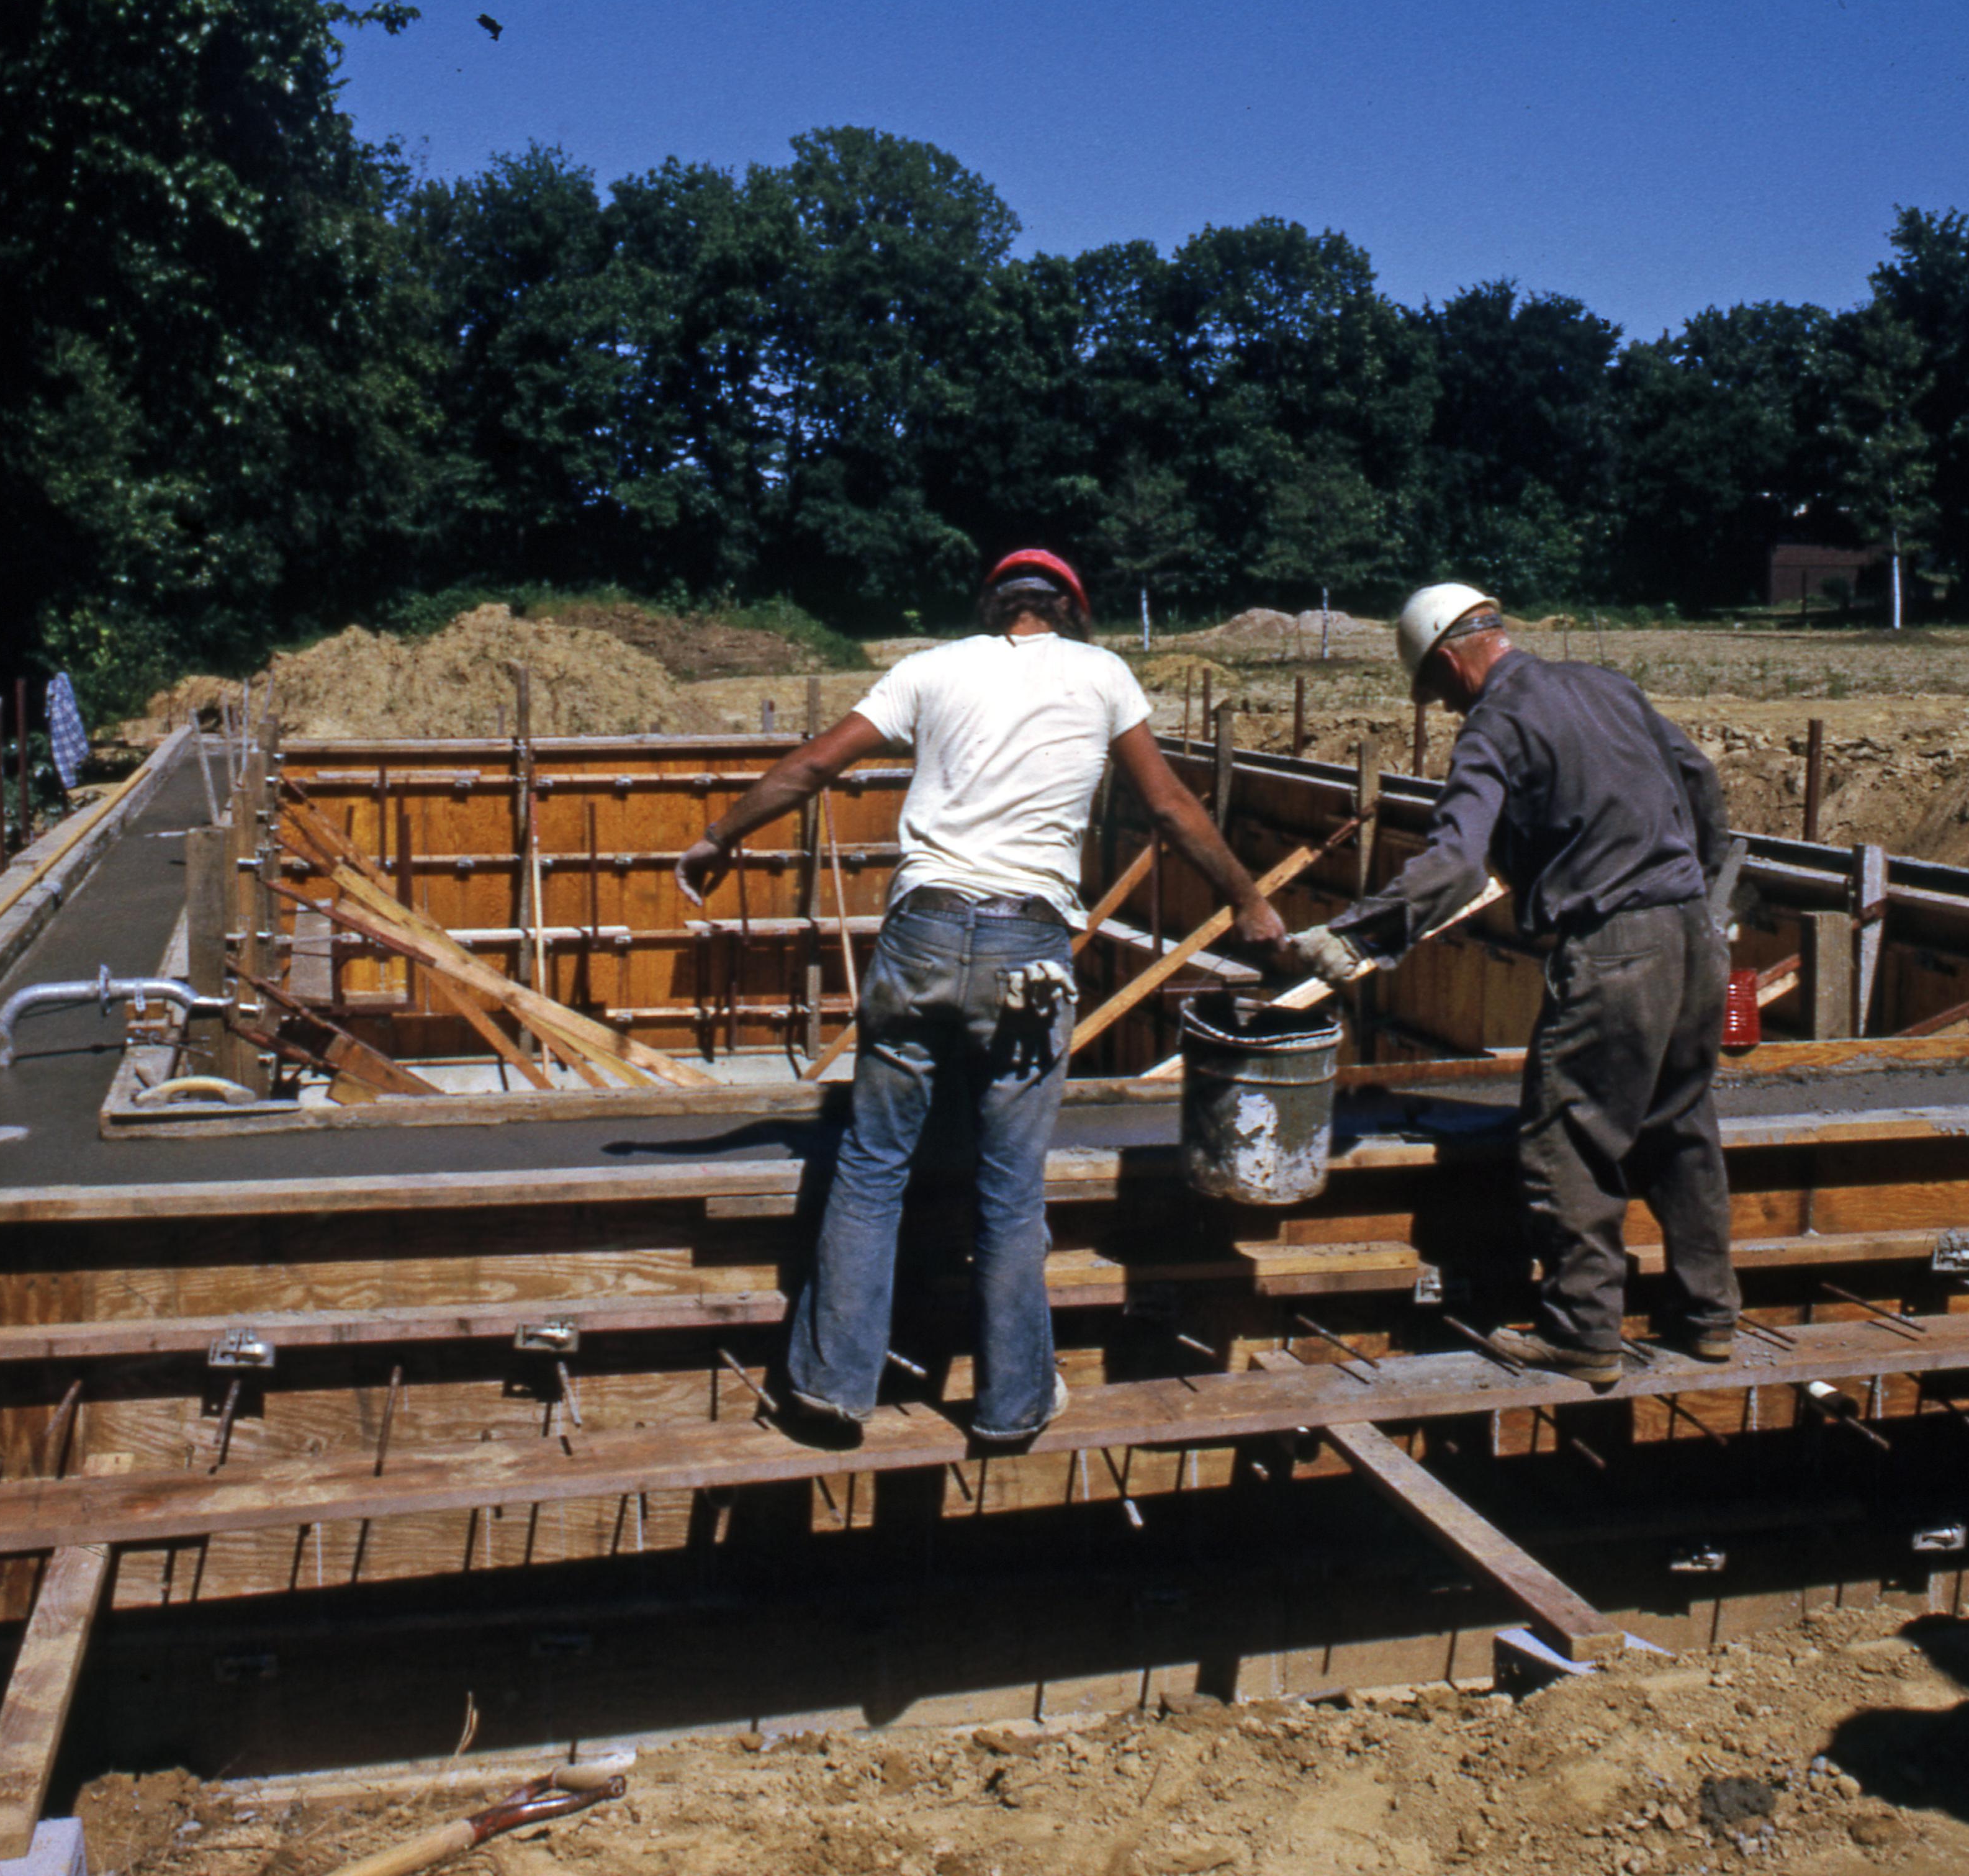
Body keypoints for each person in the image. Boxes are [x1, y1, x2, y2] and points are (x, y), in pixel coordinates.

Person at [676, 549, 1289, 1441]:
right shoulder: (1102, 675)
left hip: (921, 932)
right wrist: (1246, 899)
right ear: (1069, 611)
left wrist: (718, 837)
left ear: (993, 607)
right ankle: (1010, 1406)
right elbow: (1168, 807)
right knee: (1009, 1187)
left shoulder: (930, 669)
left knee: (872, 1165)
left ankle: (831, 1386)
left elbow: (812, 766)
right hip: (1026, 944)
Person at [1291, 583, 1740, 1388]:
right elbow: (1697, 778)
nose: (1446, 707)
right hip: (1693, 934)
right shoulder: (1606, 685)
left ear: (1449, 659)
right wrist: (1698, 884)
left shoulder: (1495, 723)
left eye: (1437, 689)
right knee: (1680, 1125)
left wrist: (1356, 936)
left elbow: (1456, 865)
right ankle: (1708, 1317)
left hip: (1615, 949)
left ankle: (1583, 1332)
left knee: (1568, 1135)